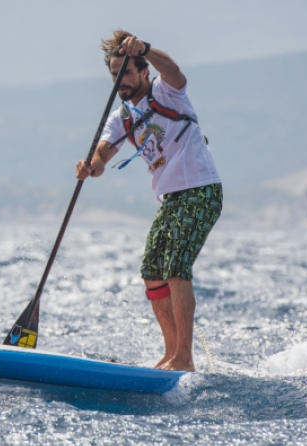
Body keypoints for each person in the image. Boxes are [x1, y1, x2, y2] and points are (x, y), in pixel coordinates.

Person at [76, 30, 223, 372]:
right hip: (171, 199)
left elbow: (176, 72)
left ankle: (185, 359)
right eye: (114, 75)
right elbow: (101, 156)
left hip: (200, 190)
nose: (120, 81)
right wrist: (90, 168)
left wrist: (146, 49)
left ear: (143, 72)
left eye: (126, 73)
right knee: (153, 272)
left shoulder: (166, 91)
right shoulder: (121, 117)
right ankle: (171, 354)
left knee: (175, 268)